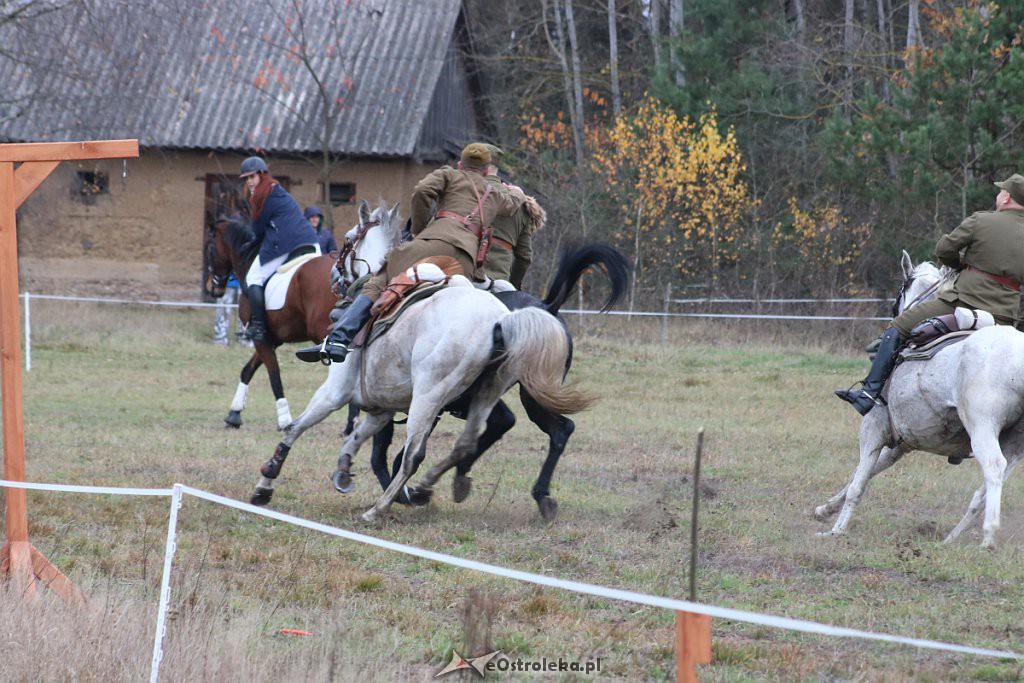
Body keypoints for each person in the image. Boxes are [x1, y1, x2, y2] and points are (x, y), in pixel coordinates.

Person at [296, 142, 525, 363]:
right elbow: (515, 203)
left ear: (459, 164)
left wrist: (420, 229)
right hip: (467, 260)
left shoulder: (449, 175)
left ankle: (338, 340)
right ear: (486, 170)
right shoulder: (494, 193)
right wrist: (517, 191)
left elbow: (422, 190)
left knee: (379, 279)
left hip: (432, 244)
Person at [835, 173, 1024, 415]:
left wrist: (962, 264)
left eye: (1000, 192)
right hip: (1004, 316)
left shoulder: (982, 221)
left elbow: (943, 250)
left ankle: (868, 393)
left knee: (898, 326)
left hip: (962, 302)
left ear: (1007, 197)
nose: (998, 195)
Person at [238, 156, 319, 342]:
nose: (249, 181)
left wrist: (251, 243)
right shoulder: (276, 190)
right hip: (310, 241)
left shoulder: (261, 195)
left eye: (252, 177)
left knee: (253, 278)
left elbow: (258, 229)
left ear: (261, 174)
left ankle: (258, 328)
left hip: (285, 244)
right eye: (246, 178)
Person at [480, 147, 544, 288]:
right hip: (498, 280)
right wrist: (512, 287)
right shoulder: (522, 203)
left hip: (462, 274)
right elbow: (524, 257)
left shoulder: (463, 191)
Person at [213, 273, 254, 347]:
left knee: (245, 310)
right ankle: (220, 338)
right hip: (226, 279)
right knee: (223, 310)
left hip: (246, 279)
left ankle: (245, 337)